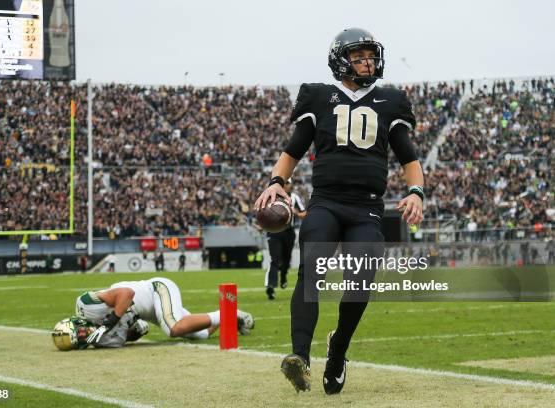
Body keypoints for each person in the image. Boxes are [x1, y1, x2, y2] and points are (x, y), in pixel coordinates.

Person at [254, 28, 424, 394]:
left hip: (367, 209)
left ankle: (338, 350)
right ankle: (299, 356)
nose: (368, 61)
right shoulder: (318, 96)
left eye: (370, 55)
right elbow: (294, 149)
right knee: (311, 274)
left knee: (359, 285)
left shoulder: (390, 100)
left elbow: (409, 157)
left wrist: (416, 192)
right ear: (340, 60)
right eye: (359, 56)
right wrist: (275, 181)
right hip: (326, 202)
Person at [61, 277, 255, 349]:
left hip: (156, 289)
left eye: (79, 331)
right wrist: (135, 333)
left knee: (174, 328)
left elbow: (126, 294)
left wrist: (111, 321)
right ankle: (225, 315)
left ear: (78, 322)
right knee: (201, 335)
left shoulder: (85, 304)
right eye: (79, 337)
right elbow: (128, 335)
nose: (83, 334)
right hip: (149, 312)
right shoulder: (101, 340)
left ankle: (232, 311)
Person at [264, 179, 306, 300]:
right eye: (285, 183)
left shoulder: (294, 197)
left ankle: (283, 275)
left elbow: (305, 214)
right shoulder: (270, 195)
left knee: (286, 259)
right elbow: (261, 211)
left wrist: (296, 213)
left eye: (288, 183)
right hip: (274, 232)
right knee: (275, 259)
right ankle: (270, 287)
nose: (286, 185)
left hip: (288, 232)